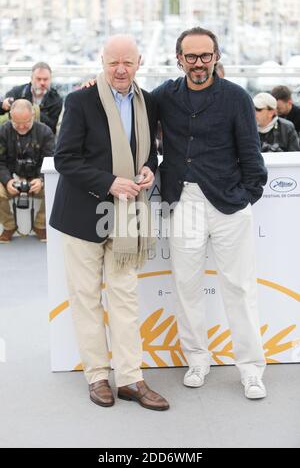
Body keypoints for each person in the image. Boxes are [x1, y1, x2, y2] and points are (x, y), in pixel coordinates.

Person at [49, 35, 169, 411]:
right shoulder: (79, 100)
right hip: (83, 216)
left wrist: (150, 169)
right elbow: (64, 158)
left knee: (125, 299)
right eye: (113, 62)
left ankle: (131, 378)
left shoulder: (148, 101)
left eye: (128, 62)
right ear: (102, 61)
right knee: (85, 299)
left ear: (139, 63)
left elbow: (150, 151)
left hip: (127, 219)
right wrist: (108, 182)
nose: (120, 69)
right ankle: (97, 376)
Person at [152, 27, 268, 399]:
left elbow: (251, 152)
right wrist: (96, 85)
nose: (199, 63)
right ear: (179, 59)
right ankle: (197, 359)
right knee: (187, 287)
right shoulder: (164, 96)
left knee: (239, 287)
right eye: (191, 56)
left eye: (206, 56)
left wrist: (249, 194)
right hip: (182, 200)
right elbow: (129, 101)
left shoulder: (235, 97)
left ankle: (251, 370)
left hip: (229, 203)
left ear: (216, 56)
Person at [0, 99, 55, 243]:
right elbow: (0, 162)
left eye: (26, 122)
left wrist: (41, 179)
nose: (22, 127)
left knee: (56, 188)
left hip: (37, 179)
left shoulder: (45, 132)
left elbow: (50, 160)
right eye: (17, 123)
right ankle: (9, 225)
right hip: (12, 178)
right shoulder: (3, 131)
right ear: (10, 116)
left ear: (33, 115)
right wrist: (7, 181)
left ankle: (40, 225)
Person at [0, 62, 63, 135]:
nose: (42, 83)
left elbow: (52, 126)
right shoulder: (17, 92)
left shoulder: (56, 99)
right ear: (32, 78)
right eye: (38, 79)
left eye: (45, 79)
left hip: (41, 138)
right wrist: (3, 105)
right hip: (15, 137)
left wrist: (32, 109)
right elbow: (3, 110)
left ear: (50, 79)